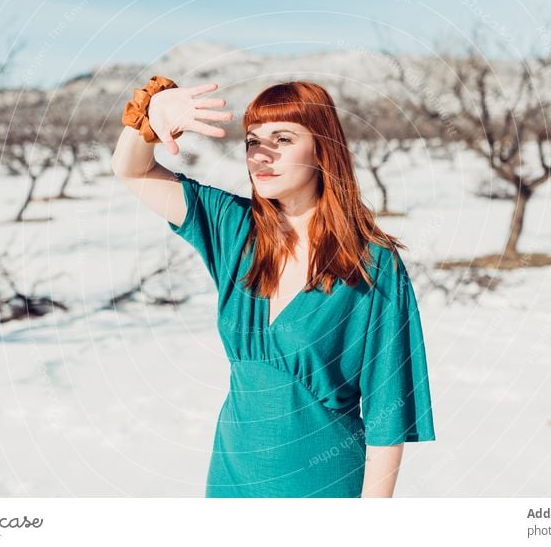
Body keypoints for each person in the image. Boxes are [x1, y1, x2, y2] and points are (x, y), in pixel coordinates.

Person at [112, 77, 436, 498]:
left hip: (322, 485)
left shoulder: (372, 265)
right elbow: (132, 170)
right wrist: (148, 122)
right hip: (232, 481)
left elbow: (387, 414)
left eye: (282, 138)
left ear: (323, 148)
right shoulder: (235, 230)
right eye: (251, 141)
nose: (261, 154)